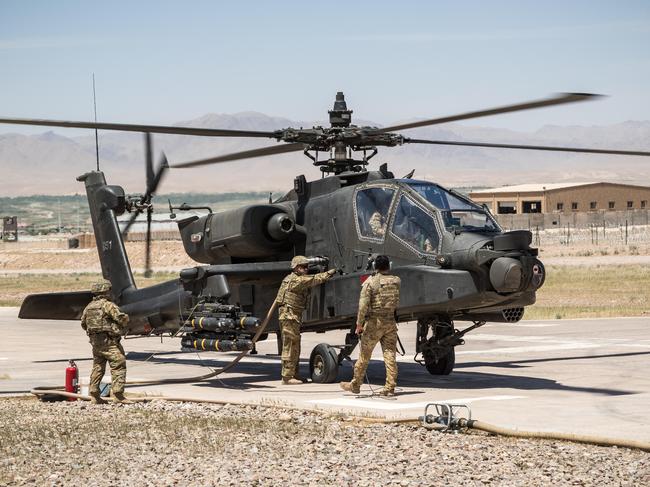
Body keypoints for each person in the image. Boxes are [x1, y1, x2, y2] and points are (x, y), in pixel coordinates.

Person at [340, 255, 401, 396]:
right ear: (389, 266)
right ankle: (390, 387)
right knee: (390, 354)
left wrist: (359, 325)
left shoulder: (371, 283)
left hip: (374, 324)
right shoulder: (397, 280)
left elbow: (362, 307)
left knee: (364, 356)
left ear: (375, 267)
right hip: (390, 323)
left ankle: (355, 385)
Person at [276, 256, 336, 384]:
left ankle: (294, 374)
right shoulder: (295, 280)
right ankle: (286, 377)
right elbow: (314, 279)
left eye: (307, 267)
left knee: (295, 345)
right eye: (303, 267)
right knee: (290, 345)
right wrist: (331, 272)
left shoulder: (293, 278)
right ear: (296, 268)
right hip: (289, 315)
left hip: (293, 315)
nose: (306, 269)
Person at [80, 280, 131, 404]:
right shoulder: (107, 305)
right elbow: (121, 318)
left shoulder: (89, 307)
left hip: (96, 344)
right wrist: (125, 320)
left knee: (98, 367)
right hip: (109, 342)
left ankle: (94, 394)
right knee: (119, 363)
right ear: (105, 291)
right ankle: (118, 395)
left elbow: (83, 323)